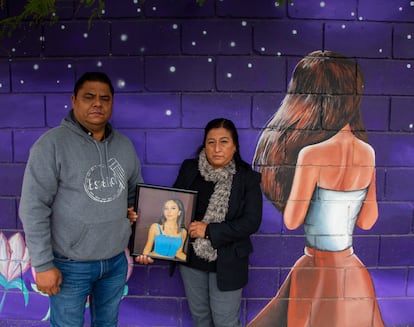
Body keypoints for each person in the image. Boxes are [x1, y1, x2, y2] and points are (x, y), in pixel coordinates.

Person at [248, 50, 384, 326]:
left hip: (316, 270)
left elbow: (292, 220)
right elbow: (369, 221)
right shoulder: (367, 152)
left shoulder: (312, 154)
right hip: (351, 271)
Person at [19, 71, 143, 327]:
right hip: (69, 266)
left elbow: (134, 196)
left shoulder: (124, 147)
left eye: (104, 98)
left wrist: (138, 228)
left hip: (115, 263)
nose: (97, 103)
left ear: (112, 104)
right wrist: (43, 265)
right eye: (89, 97)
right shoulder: (51, 145)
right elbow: (33, 208)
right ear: (74, 100)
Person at [135, 118, 263, 327]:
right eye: (211, 142)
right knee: (201, 320)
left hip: (228, 262)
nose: (217, 149)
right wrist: (144, 238)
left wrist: (209, 230)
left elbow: (251, 222)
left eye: (224, 142)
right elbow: (171, 206)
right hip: (192, 261)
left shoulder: (247, 178)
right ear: (204, 145)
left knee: (226, 322)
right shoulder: (190, 169)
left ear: (235, 147)